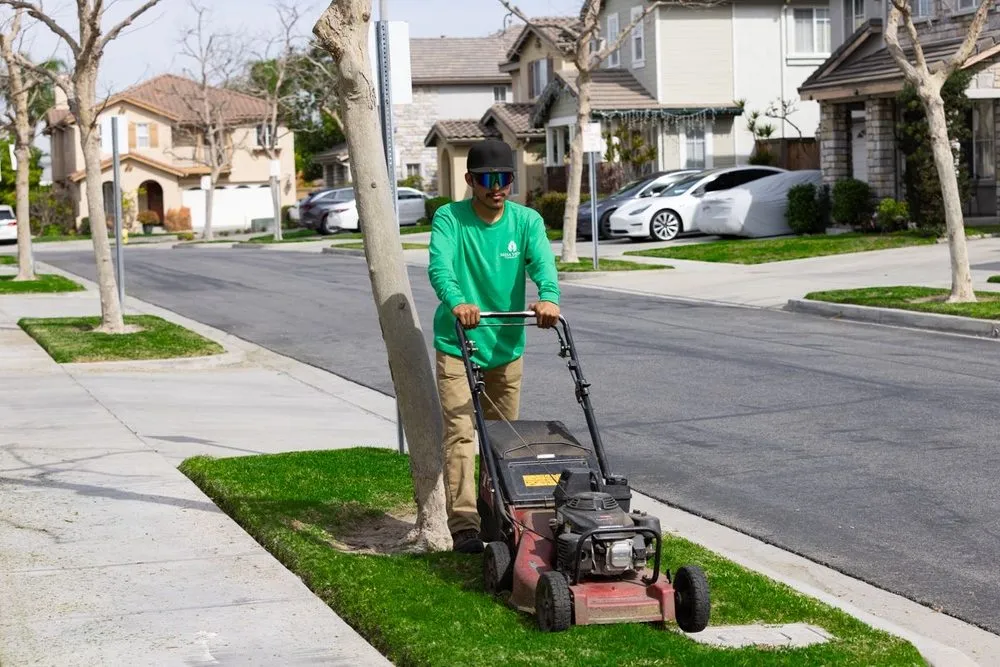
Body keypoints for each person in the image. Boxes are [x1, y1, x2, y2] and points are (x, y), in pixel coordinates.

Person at [427, 138, 561, 554]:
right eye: (487, 179)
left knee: (501, 437)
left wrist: (549, 296)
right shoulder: (450, 218)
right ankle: (464, 524)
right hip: (458, 344)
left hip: (506, 345)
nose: (497, 187)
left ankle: (498, 513)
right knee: (462, 435)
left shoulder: (526, 221)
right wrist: (457, 301)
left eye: (504, 178)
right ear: (470, 180)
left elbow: (542, 264)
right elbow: (439, 265)